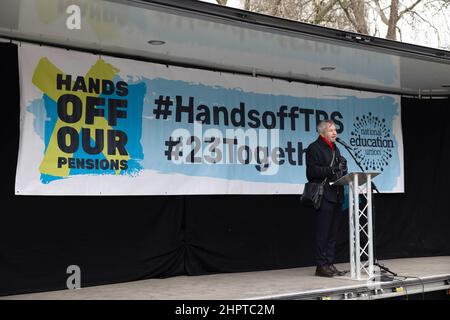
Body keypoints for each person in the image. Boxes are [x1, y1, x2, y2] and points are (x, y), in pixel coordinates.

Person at [306, 120, 348, 277]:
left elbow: (338, 171)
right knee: (323, 233)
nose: (335, 133)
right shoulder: (314, 148)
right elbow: (311, 172)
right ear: (321, 132)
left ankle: (329, 263)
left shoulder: (336, 148)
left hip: (336, 195)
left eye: (335, 130)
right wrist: (332, 169)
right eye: (331, 130)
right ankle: (320, 266)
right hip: (324, 196)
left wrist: (343, 167)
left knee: (332, 234)